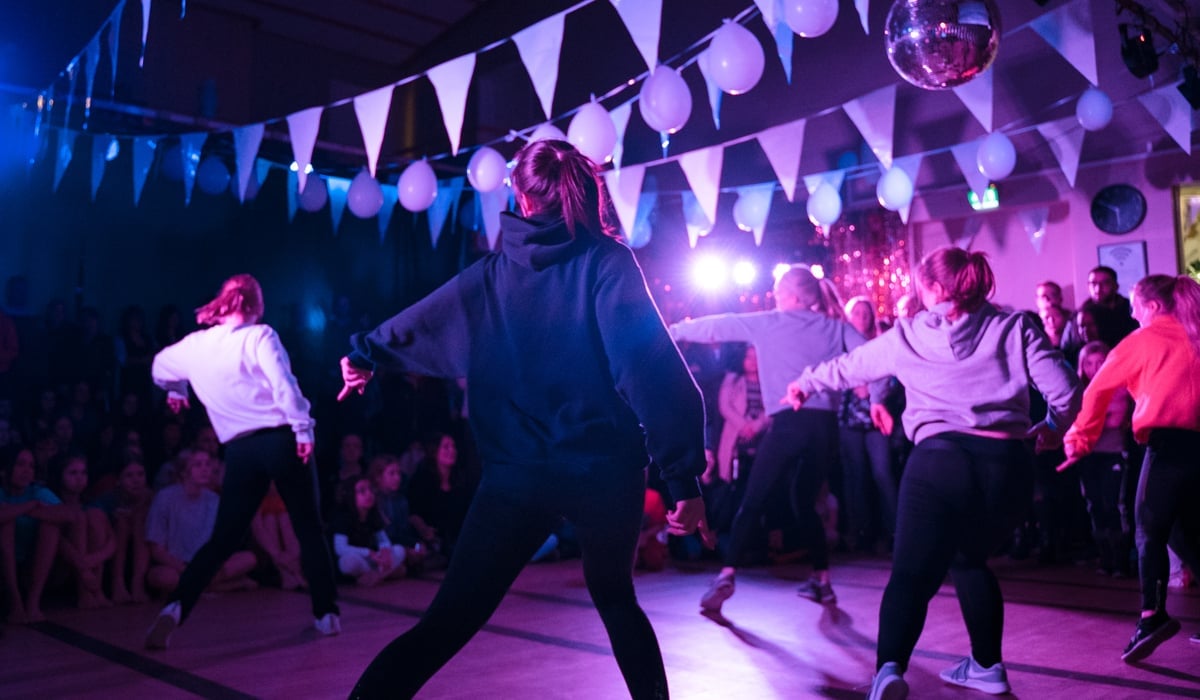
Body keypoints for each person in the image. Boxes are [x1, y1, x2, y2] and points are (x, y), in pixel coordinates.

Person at [338, 139, 711, 700]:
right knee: (615, 600)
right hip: (604, 474)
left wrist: (367, 354)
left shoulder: (493, 275)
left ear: (519, 195)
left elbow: (428, 319)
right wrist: (683, 477)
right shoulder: (606, 263)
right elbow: (649, 368)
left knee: (447, 623)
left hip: (518, 476)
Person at [783, 247, 1079, 700]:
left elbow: (849, 367)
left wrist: (805, 381)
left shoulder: (908, 334)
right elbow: (1066, 391)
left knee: (910, 574)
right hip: (1007, 466)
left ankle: (888, 672)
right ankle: (987, 666)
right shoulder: (1016, 326)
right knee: (968, 559)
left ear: (936, 288)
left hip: (939, 462)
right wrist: (1054, 428)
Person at [143, 273, 340, 649]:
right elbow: (283, 382)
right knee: (309, 528)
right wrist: (303, 428)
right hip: (281, 439)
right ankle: (326, 614)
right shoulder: (259, 336)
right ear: (256, 304)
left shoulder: (195, 346)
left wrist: (176, 387)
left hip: (239, 450)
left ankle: (175, 609)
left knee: (222, 539)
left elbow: (158, 367)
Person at [671, 264, 875, 612]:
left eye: (779, 288)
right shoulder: (834, 326)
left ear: (794, 295)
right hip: (825, 429)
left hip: (788, 423)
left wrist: (675, 330)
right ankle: (822, 581)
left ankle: (726, 574)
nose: (774, 294)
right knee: (804, 500)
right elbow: (872, 354)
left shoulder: (769, 321)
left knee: (753, 499)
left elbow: (721, 323)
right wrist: (877, 398)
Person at [1059, 274, 1200, 662]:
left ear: (1153, 307)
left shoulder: (1142, 341)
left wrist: (1078, 441)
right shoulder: (1196, 334)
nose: (1133, 312)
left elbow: (1097, 391)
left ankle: (1152, 616)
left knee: (1148, 529)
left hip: (1168, 446)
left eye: (1137, 305)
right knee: (1183, 532)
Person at [1070, 341, 1133, 577]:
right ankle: (1105, 559)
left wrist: (1085, 424)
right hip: (1088, 456)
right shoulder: (1080, 390)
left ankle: (1121, 562)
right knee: (1094, 506)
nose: (1094, 368)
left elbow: (1114, 420)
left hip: (1112, 454)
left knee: (1113, 506)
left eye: (1099, 362)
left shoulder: (1117, 388)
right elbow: (1072, 419)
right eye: (1089, 363)